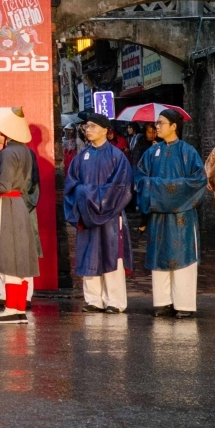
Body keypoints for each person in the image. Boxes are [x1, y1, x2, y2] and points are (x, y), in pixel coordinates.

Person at [134, 108, 207, 318]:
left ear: (174, 126)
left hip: (181, 216)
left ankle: (184, 304)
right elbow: (140, 179)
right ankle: (163, 302)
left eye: (161, 123)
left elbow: (198, 181)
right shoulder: (151, 153)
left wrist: (159, 188)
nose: (156, 127)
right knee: (159, 254)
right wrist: (158, 188)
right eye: (156, 123)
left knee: (183, 255)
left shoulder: (188, 152)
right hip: (158, 216)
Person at [63, 111, 133, 314]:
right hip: (86, 214)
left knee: (113, 255)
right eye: (87, 126)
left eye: (93, 126)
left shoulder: (117, 156)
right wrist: (86, 198)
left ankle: (115, 301)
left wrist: (92, 197)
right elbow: (71, 185)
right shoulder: (81, 157)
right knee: (89, 254)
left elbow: (122, 186)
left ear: (105, 130)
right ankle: (94, 299)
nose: (88, 130)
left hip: (110, 213)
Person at [0, 107, 41, 326]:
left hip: (6, 205)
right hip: (18, 205)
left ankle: (13, 309)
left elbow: (3, 185)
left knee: (7, 256)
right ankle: (17, 308)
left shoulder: (7, 153)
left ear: (5, 133)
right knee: (18, 257)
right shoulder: (24, 151)